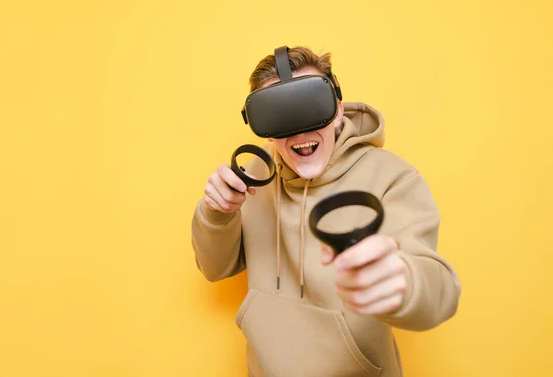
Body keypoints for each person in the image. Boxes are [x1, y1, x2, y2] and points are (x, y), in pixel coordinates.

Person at [190, 46, 461, 376]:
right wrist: (217, 213)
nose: (300, 133)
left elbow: (437, 291)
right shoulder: (258, 174)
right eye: (281, 117)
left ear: (337, 109)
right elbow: (215, 268)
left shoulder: (393, 178)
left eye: (310, 109)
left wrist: (403, 282)